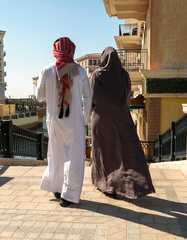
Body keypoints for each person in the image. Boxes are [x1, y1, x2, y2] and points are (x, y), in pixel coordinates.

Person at [90, 47, 155, 199]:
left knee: (103, 154)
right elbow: (127, 97)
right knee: (124, 154)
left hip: (101, 119)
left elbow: (92, 98)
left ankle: (106, 185)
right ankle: (134, 186)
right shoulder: (124, 75)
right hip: (121, 117)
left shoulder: (96, 75)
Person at [36, 37, 92, 207]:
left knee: (57, 154)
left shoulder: (46, 70)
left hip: (54, 120)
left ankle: (57, 187)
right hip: (74, 122)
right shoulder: (80, 72)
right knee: (73, 157)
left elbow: (39, 97)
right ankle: (69, 195)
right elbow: (88, 97)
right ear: (71, 50)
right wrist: (84, 119)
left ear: (56, 50)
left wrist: (53, 93)